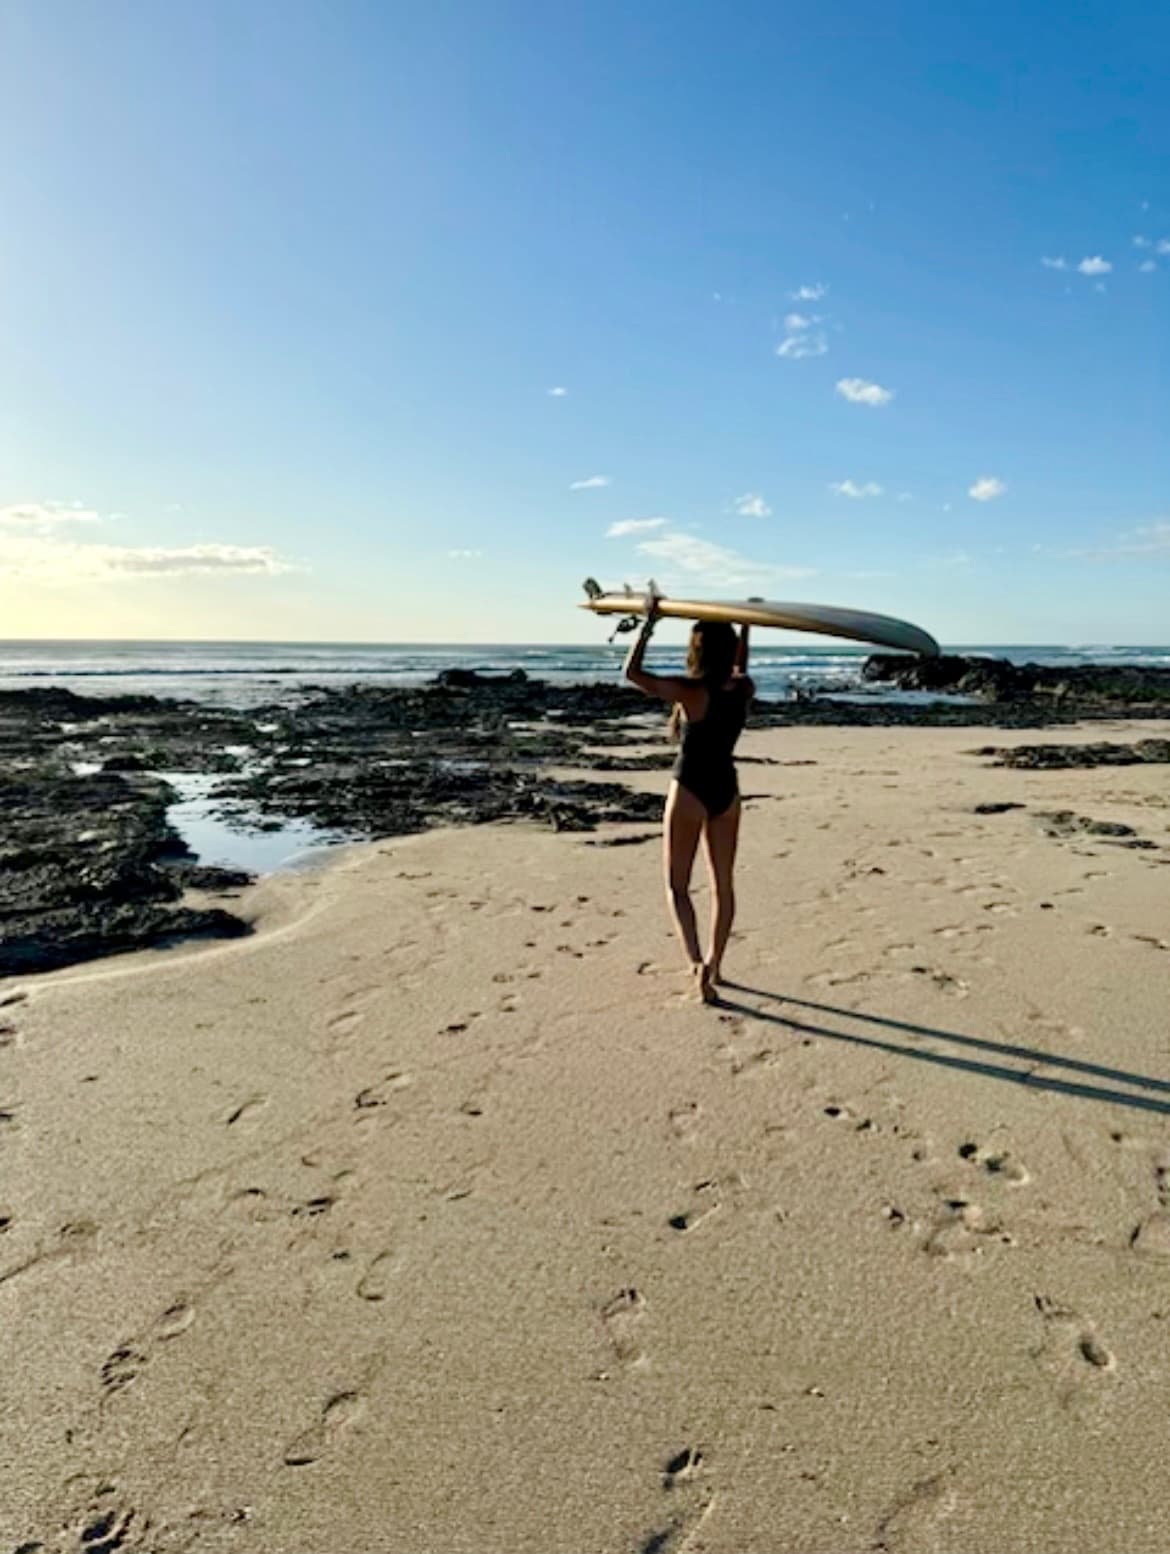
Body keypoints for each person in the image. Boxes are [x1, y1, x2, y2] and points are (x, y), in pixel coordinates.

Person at [624, 603, 753, 1002]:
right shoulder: (744, 688)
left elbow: (633, 675)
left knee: (677, 886)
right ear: (730, 650)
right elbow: (739, 666)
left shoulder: (690, 691)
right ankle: (716, 964)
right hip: (727, 791)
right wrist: (747, 627)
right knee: (723, 887)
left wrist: (646, 627)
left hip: (691, 788)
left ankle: (696, 963)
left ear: (696, 649)